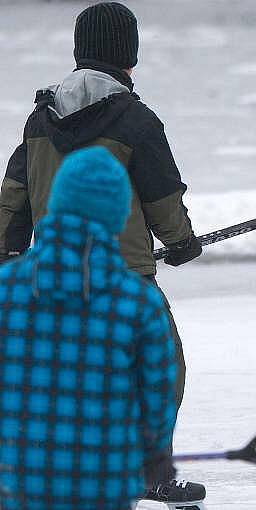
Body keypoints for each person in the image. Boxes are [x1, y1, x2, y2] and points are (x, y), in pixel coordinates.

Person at [0, 1, 204, 500]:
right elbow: (162, 195)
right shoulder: (135, 119)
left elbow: (14, 194)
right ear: (128, 56)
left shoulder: (40, 118)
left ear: (78, 51)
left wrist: (8, 252)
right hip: (125, 277)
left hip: (53, 277)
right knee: (158, 368)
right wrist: (180, 242)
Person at [0, 147, 189, 509]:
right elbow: (156, 398)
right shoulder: (137, 302)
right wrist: (153, 461)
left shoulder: (7, 289)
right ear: (119, 216)